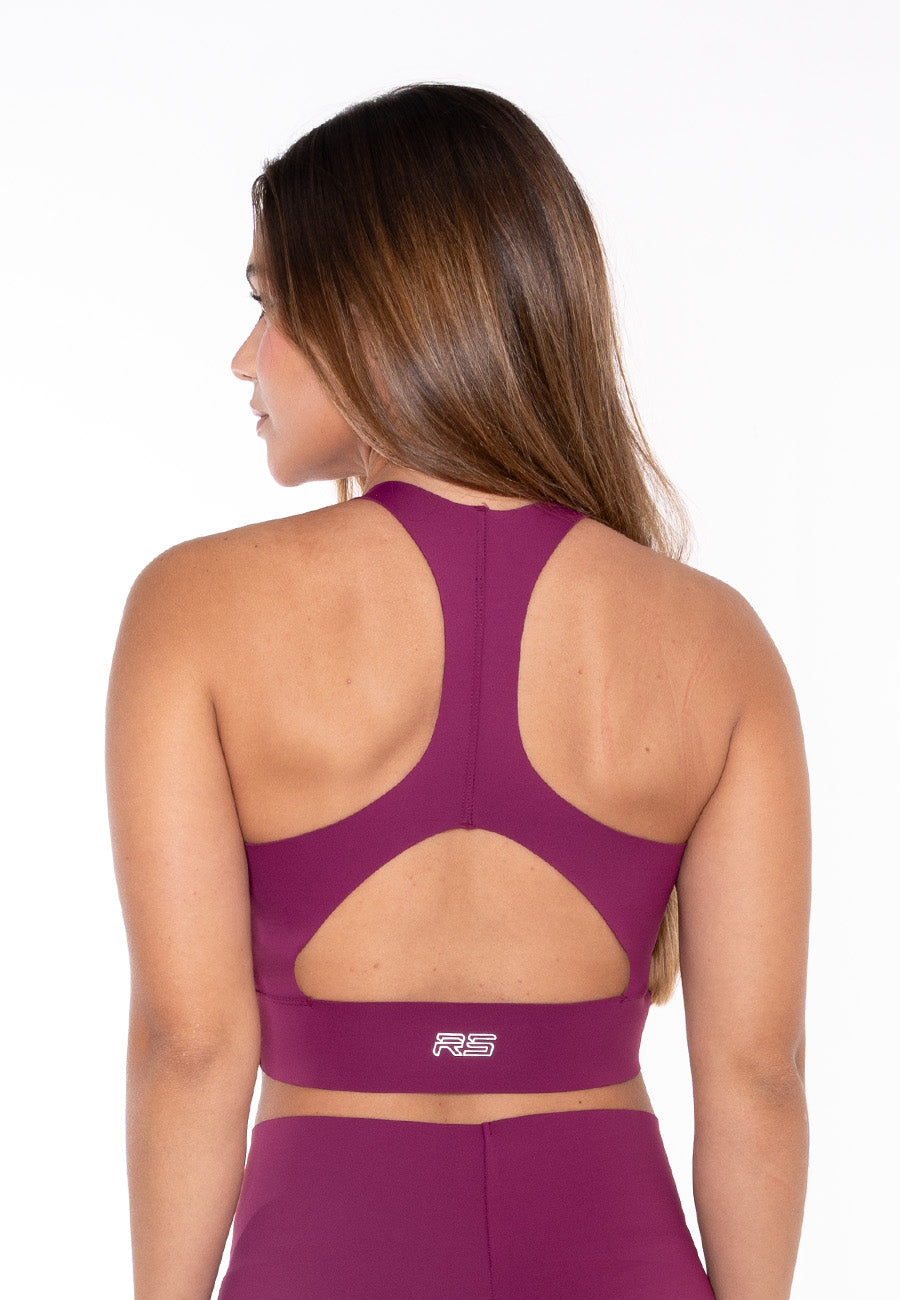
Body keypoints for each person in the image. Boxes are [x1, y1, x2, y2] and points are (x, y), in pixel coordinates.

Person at [107, 83, 810, 1299]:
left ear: (373, 310)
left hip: (323, 1255)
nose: (242, 357)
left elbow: (192, 1047)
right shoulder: (716, 642)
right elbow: (758, 1078)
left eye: (267, 302)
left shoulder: (196, 609)